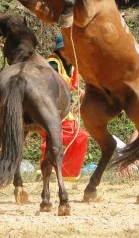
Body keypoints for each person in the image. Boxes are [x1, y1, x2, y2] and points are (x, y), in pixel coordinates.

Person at [38, 34, 88, 182]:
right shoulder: (52, 63)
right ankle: (47, 169)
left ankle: (67, 173)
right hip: (48, 108)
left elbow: (71, 85)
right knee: (53, 137)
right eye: (64, 50)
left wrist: (80, 90)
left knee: (81, 137)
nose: (67, 52)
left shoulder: (72, 66)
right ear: (59, 51)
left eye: (69, 49)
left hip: (63, 110)